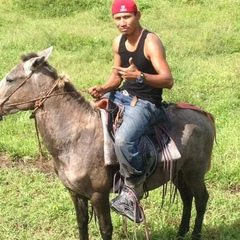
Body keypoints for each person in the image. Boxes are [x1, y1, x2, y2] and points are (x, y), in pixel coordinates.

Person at [88, 0, 173, 223]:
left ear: (138, 15)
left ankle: (134, 188)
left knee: (124, 140)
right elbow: (117, 76)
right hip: (122, 96)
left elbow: (168, 80)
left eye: (127, 17)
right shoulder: (119, 42)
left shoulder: (150, 42)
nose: (122, 23)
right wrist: (103, 88)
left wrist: (141, 77)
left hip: (147, 104)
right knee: (90, 115)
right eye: (118, 18)